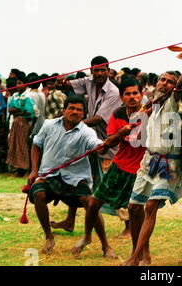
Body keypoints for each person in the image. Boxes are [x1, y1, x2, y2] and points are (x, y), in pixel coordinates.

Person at [27, 96, 116, 257]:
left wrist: (104, 145)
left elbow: (97, 146)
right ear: (64, 110)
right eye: (71, 108)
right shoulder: (48, 125)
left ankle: (106, 246)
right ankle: (49, 237)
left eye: (79, 110)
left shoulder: (87, 132)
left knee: (91, 204)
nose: (75, 112)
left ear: (83, 114)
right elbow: (36, 145)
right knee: (38, 193)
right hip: (49, 175)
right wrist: (34, 171)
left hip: (76, 179)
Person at [71, 78, 147, 256]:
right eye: (127, 94)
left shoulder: (150, 112)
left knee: (135, 210)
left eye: (135, 93)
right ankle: (87, 237)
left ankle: (138, 252)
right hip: (119, 165)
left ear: (142, 95)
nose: (132, 97)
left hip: (141, 169)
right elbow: (111, 140)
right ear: (121, 97)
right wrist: (122, 133)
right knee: (93, 202)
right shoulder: (118, 113)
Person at [122, 71, 182, 266]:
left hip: (169, 164)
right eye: (162, 80)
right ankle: (144, 255)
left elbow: (180, 85)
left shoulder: (174, 101)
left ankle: (134, 258)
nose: (164, 84)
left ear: (175, 87)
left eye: (170, 82)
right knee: (133, 208)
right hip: (149, 161)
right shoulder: (151, 104)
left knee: (150, 207)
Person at [53, 56, 122, 232]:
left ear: (108, 70)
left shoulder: (113, 92)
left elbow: (99, 119)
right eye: (96, 70)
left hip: (108, 142)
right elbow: (68, 86)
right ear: (91, 70)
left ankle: (129, 224)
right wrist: (61, 82)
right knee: (79, 178)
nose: (99, 73)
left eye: (103, 70)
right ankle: (70, 221)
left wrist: (73, 124)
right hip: (90, 140)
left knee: (112, 183)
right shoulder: (88, 82)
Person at [6, 74, 35, 177]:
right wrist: (19, 111)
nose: (17, 85)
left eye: (20, 83)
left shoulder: (27, 96)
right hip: (15, 123)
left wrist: (17, 111)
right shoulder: (15, 96)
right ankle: (17, 168)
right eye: (16, 83)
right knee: (14, 145)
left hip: (23, 123)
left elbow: (29, 112)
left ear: (25, 84)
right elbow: (10, 109)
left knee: (22, 146)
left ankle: (24, 168)